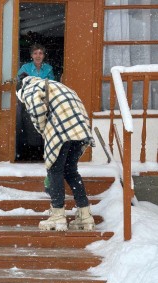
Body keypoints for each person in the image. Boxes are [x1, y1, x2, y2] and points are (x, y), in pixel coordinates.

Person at [16, 75, 96, 231]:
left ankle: (58, 215)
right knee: (71, 172)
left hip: (62, 129)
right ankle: (85, 216)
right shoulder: (57, 85)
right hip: (80, 129)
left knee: (55, 171)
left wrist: (43, 130)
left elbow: (38, 111)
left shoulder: (30, 88)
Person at [16, 44, 54, 160]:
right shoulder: (25, 68)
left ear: (44, 55)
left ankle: (43, 152)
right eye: (35, 53)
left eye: (40, 53)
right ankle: (27, 152)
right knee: (28, 124)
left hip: (44, 101)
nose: (38, 56)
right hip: (28, 101)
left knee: (44, 125)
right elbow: (20, 82)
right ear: (31, 55)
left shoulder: (48, 68)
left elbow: (51, 84)